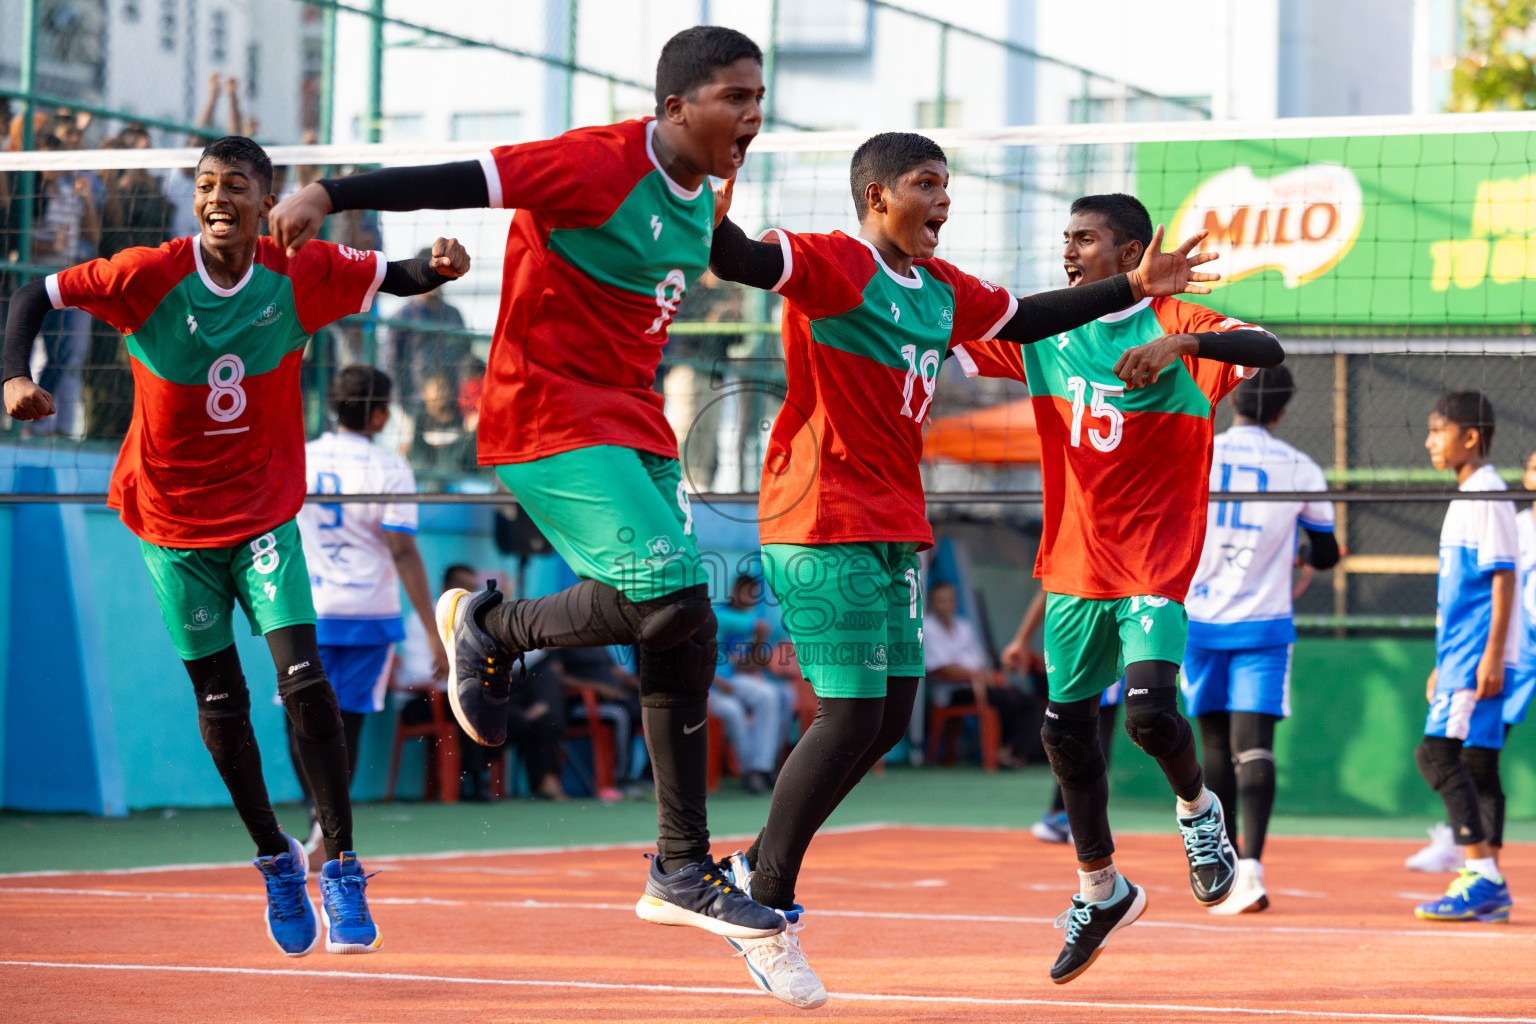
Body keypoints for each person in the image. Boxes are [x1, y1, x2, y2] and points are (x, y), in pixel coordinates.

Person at [267, 25, 785, 942]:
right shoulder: (591, 165)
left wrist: (863, 280)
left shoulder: (709, 189)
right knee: (671, 597)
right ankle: (498, 633)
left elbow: (731, 253)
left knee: (680, 623)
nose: (753, 113)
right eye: (735, 97)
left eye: (758, 95)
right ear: (676, 106)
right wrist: (329, 192)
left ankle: (675, 864)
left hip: (634, 424)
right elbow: (454, 179)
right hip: (548, 414)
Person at [705, 139, 1225, 1006]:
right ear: (877, 195)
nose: (944, 200)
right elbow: (738, 258)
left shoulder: (945, 294)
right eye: (926, 185)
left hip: (895, 522)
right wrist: (703, 188)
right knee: (848, 718)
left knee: (887, 719)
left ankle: (755, 861)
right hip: (818, 513)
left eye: (948, 186)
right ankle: (765, 906)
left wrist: (1136, 292)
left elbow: (1024, 317)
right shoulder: (833, 263)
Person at [3, 135, 472, 957]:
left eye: (236, 187)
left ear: (267, 201)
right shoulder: (146, 274)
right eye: (206, 185)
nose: (218, 198)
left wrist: (437, 265)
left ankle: (343, 864)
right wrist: (12, 375)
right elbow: (34, 293)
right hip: (171, 527)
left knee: (306, 686)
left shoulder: (303, 268)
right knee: (219, 707)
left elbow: (393, 278)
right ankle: (275, 859)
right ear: (196, 200)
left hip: (262, 517)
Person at [954, 192, 1282, 982]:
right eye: (1065, 238)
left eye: (1087, 239)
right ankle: (1099, 889)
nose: (1069, 251)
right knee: (1065, 736)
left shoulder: (1183, 327)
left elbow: (1268, 346)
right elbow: (955, 333)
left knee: (1146, 712)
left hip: (1154, 558)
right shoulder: (1043, 332)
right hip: (1075, 564)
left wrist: (1174, 346)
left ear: (1131, 252)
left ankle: (1200, 814)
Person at [1181, 365, 1339, 915]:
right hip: (1264, 624)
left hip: (1197, 621)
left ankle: (1222, 863)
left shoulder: (1197, 453)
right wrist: (1297, 551)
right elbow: (1326, 552)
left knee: (1215, 748)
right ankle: (1252, 868)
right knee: (1256, 748)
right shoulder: (1302, 467)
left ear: (1228, 399)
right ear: (1282, 410)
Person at [292, 365, 450, 855]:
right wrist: (431, 629)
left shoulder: (301, 457)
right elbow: (403, 553)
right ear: (380, 414)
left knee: (300, 718)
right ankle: (330, 825)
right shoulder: (390, 468)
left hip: (303, 612)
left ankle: (318, 818)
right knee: (347, 720)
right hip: (368, 614)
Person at [1412, 392, 1518, 925]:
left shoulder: (1489, 494)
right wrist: (1440, 661)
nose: (1431, 441)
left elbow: (1504, 579)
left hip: (1477, 655)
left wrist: (1492, 655)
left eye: (1439, 430)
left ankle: (1483, 874)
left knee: (1435, 755)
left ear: (1470, 437)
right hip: (1459, 655)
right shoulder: (1467, 494)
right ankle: (1487, 879)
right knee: (1476, 762)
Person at [1001, 590, 1125, 844]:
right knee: (1085, 734)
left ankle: (1062, 815)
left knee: (1084, 733)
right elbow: (1046, 588)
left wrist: (1022, 640)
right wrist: (1021, 640)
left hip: (1094, 640)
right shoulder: (1070, 559)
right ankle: (1069, 816)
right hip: (1083, 643)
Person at [923, 581, 1032, 768]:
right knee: (1005, 700)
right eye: (941, 601)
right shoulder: (926, 628)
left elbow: (980, 661)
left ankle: (1009, 752)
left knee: (1025, 700)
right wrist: (978, 676)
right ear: (932, 603)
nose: (946, 605)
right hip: (953, 692)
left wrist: (989, 677)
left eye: (949, 600)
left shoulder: (964, 626)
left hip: (979, 685)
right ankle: (999, 753)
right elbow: (941, 667)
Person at [386, 252, 473, 416]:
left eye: (440, 273)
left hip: (451, 405)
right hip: (413, 403)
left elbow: (465, 355)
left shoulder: (453, 314)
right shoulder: (402, 316)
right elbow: (392, 362)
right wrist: (402, 406)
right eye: (431, 273)